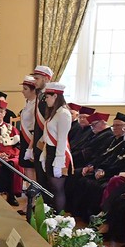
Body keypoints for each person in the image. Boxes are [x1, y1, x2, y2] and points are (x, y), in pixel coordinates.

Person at [38, 82, 73, 212]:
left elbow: (62, 139)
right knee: (51, 186)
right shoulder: (55, 112)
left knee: (57, 188)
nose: (46, 99)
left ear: (55, 96)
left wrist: (59, 161)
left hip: (59, 154)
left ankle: (59, 217)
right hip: (50, 151)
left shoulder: (64, 113)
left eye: (47, 96)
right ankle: (53, 215)